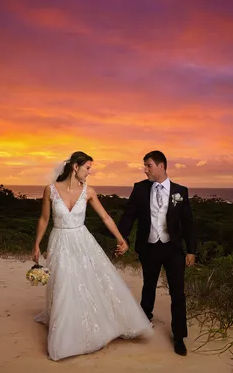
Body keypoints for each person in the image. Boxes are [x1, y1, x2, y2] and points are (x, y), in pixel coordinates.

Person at [32, 151, 153, 361]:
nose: (90, 171)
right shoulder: (50, 190)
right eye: (87, 167)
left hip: (82, 241)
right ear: (75, 167)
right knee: (64, 284)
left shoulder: (89, 192)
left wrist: (120, 239)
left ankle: (93, 326)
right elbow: (44, 219)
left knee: (87, 282)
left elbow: (105, 217)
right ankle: (64, 338)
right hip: (60, 241)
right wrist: (36, 244)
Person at [116, 150, 196, 356]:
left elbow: (188, 223)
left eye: (148, 166)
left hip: (173, 249)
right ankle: (144, 322)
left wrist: (192, 250)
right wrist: (121, 237)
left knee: (178, 292)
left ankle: (179, 337)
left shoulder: (181, 191)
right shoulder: (140, 189)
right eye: (144, 166)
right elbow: (129, 215)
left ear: (161, 166)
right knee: (148, 286)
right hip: (149, 246)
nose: (145, 170)